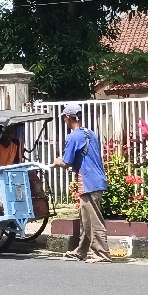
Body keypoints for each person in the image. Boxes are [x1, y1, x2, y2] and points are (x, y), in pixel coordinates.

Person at [53, 103, 112, 263]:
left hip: (88, 181)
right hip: (96, 179)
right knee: (85, 218)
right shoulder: (90, 133)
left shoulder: (73, 137)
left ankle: (102, 254)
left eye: (64, 118)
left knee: (93, 219)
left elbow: (66, 162)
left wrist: (57, 161)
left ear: (67, 117)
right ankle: (81, 251)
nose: (64, 120)